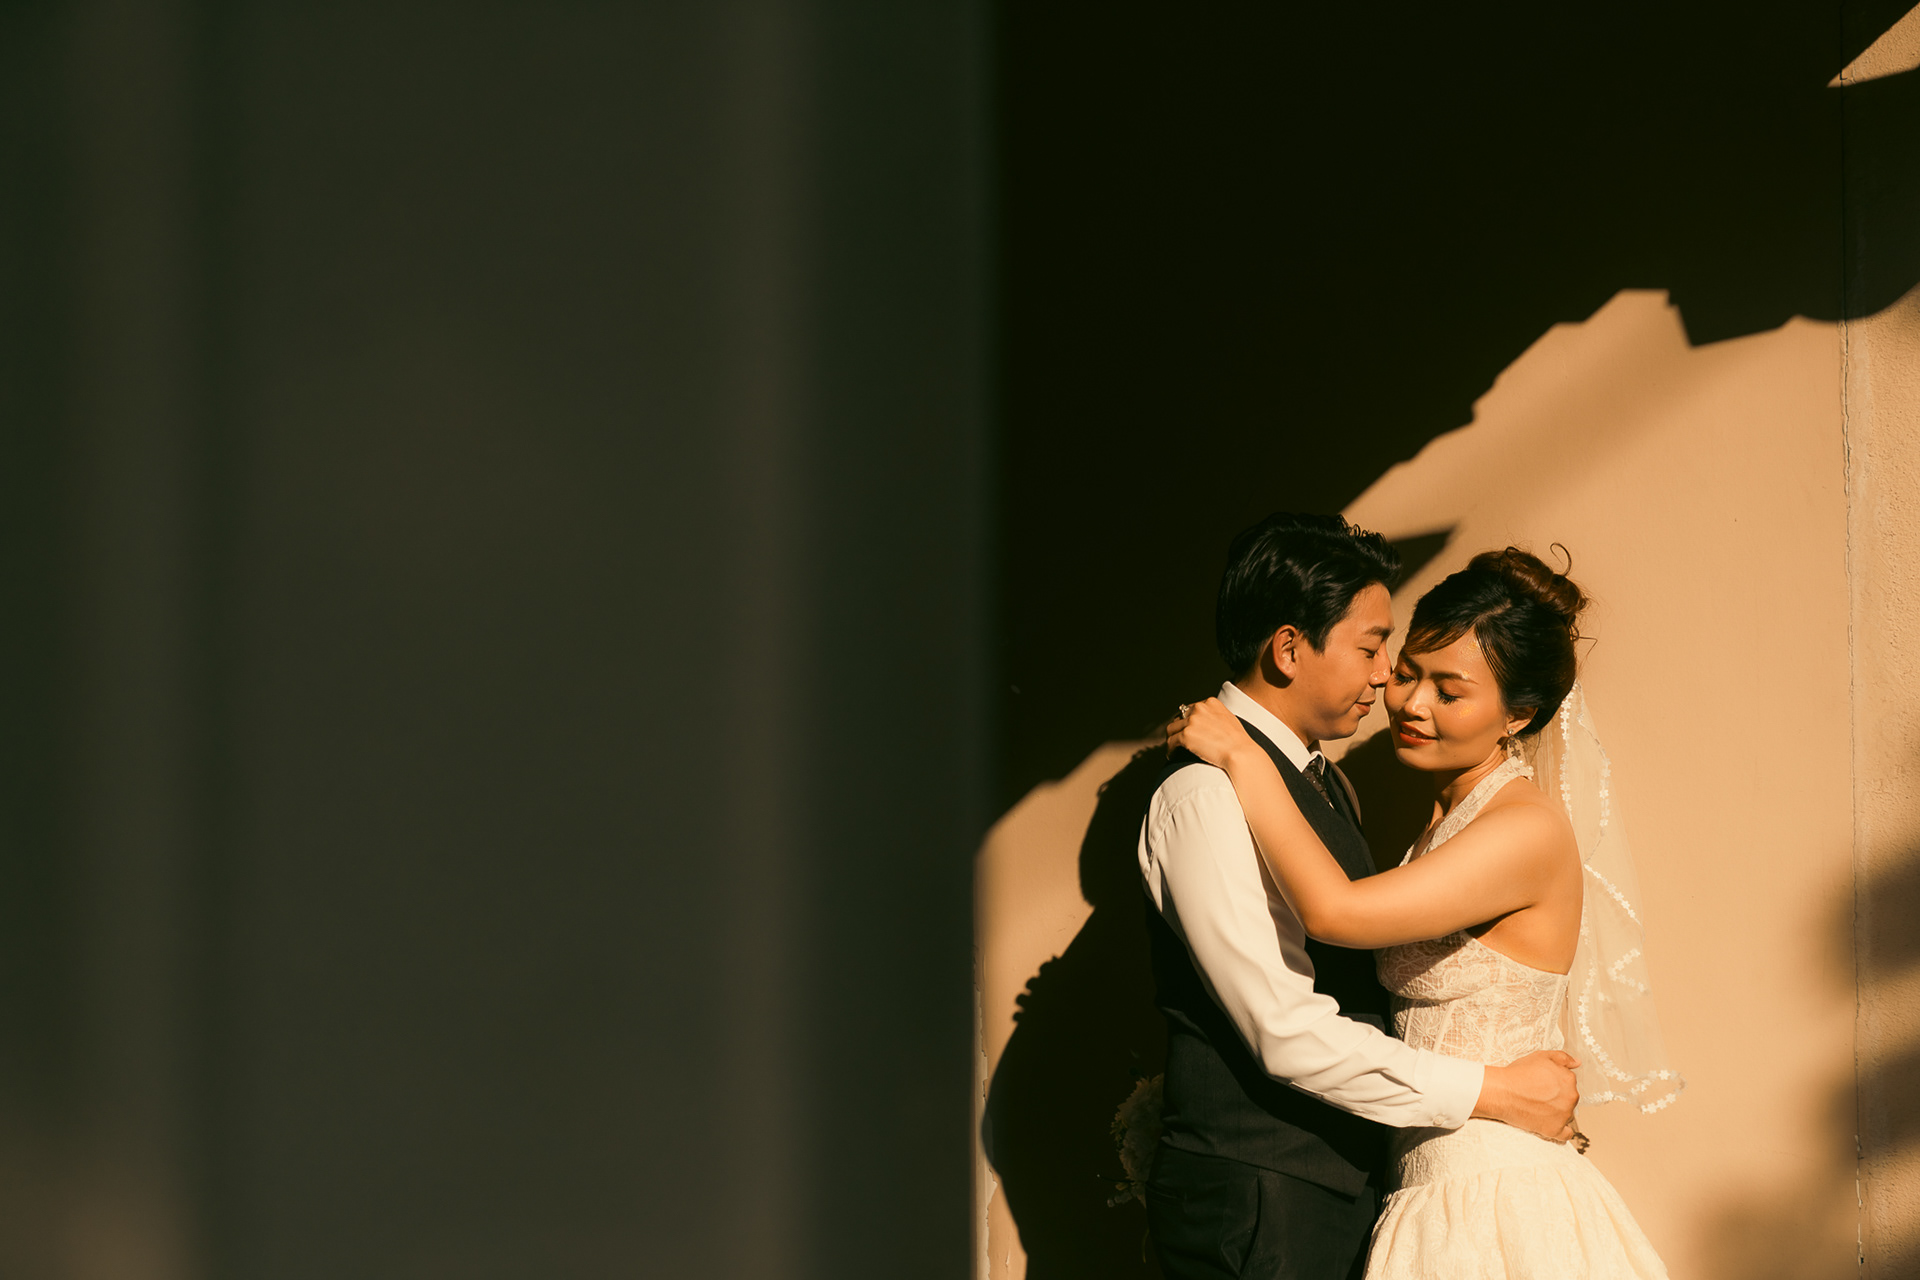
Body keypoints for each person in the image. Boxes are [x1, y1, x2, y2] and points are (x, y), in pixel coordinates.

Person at [1169, 544, 1681, 1279]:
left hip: (1495, 1190)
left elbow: (1336, 912)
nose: (1409, 702)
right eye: (1408, 671)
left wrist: (1243, 755)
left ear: (1518, 715)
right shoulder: (1440, 827)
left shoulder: (1522, 830)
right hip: (1430, 1182)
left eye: (1450, 690)